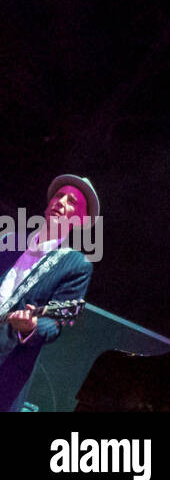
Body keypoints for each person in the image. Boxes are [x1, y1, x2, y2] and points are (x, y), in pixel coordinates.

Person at [0, 175, 97, 411]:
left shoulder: (76, 264)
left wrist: (31, 327)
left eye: (71, 201)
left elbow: (54, 324)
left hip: (7, 364)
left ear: (81, 219)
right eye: (58, 195)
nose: (61, 202)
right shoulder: (10, 240)